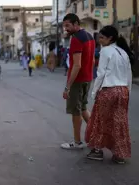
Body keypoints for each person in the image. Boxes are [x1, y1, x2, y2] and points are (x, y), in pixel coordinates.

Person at [85, 25, 133, 164]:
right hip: (123, 91)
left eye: (102, 37)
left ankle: (97, 151)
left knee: (100, 121)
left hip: (109, 90)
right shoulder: (123, 52)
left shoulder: (106, 51)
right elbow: (128, 74)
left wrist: (94, 92)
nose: (99, 40)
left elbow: (100, 74)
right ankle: (119, 155)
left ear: (110, 38)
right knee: (119, 123)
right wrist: (127, 91)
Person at [61, 13, 95, 150]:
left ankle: (77, 142)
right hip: (87, 78)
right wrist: (89, 74)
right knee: (84, 108)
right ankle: (96, 135)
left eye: (68, 25)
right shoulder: (90, 37)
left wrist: (67, 87)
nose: (66, 29)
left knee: (76, 111)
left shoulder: (76, 39)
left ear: (76, 24)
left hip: (78, 80)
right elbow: (92, 60)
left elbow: (77, 65)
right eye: (64, 26)